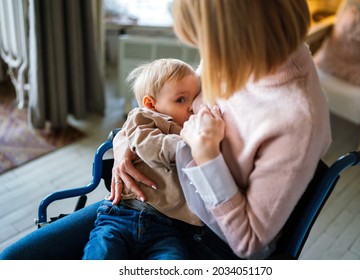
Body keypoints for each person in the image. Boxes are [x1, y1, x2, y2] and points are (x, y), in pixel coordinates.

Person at [0, 0, 331, 260]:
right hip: (146, 202)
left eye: (204, 40)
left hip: (201, 238)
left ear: (238, 34)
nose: (206, 55)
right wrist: (126, 142)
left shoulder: (296, 120)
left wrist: (207, 157)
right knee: (13, 259)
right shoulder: (238, 57)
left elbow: (249, 243)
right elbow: (161, 105)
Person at [82, 58, 202, 260]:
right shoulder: (144, 119)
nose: (191, 107)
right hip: (122, 215)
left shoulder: (189, 127)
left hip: (167, 228)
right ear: (151, 104)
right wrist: (190, 144)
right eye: (181, 100)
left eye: (195, 99)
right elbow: (149, 146)